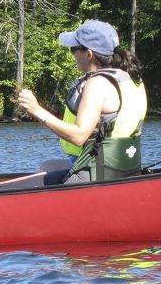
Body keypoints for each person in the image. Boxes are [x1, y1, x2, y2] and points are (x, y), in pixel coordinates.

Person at [17, 20, 147, 185]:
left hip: (97, 174)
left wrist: (36, 110)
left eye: (74, 49)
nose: (72, 54)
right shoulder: (131, 78)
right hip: (123, 169)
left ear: (89, 54)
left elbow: (79, 136)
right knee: (47, 166)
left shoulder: (97, 84)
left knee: (4, 188)